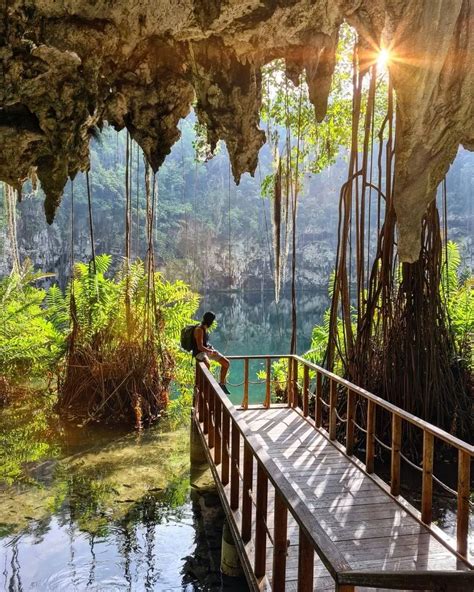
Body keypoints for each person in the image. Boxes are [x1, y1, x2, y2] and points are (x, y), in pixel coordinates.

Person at [193, 311, 230, 394]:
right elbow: (200, 347)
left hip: (207, 351)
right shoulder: (199, 329)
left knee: (226, 363)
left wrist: (212, 349)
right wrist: (210, 351)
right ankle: (204, 386)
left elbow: (206, 343)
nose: (213, 323)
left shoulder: (205, 328)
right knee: (207, 364)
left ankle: (221, 384)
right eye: (212, 321)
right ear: (210, 321)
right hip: (199, 353)